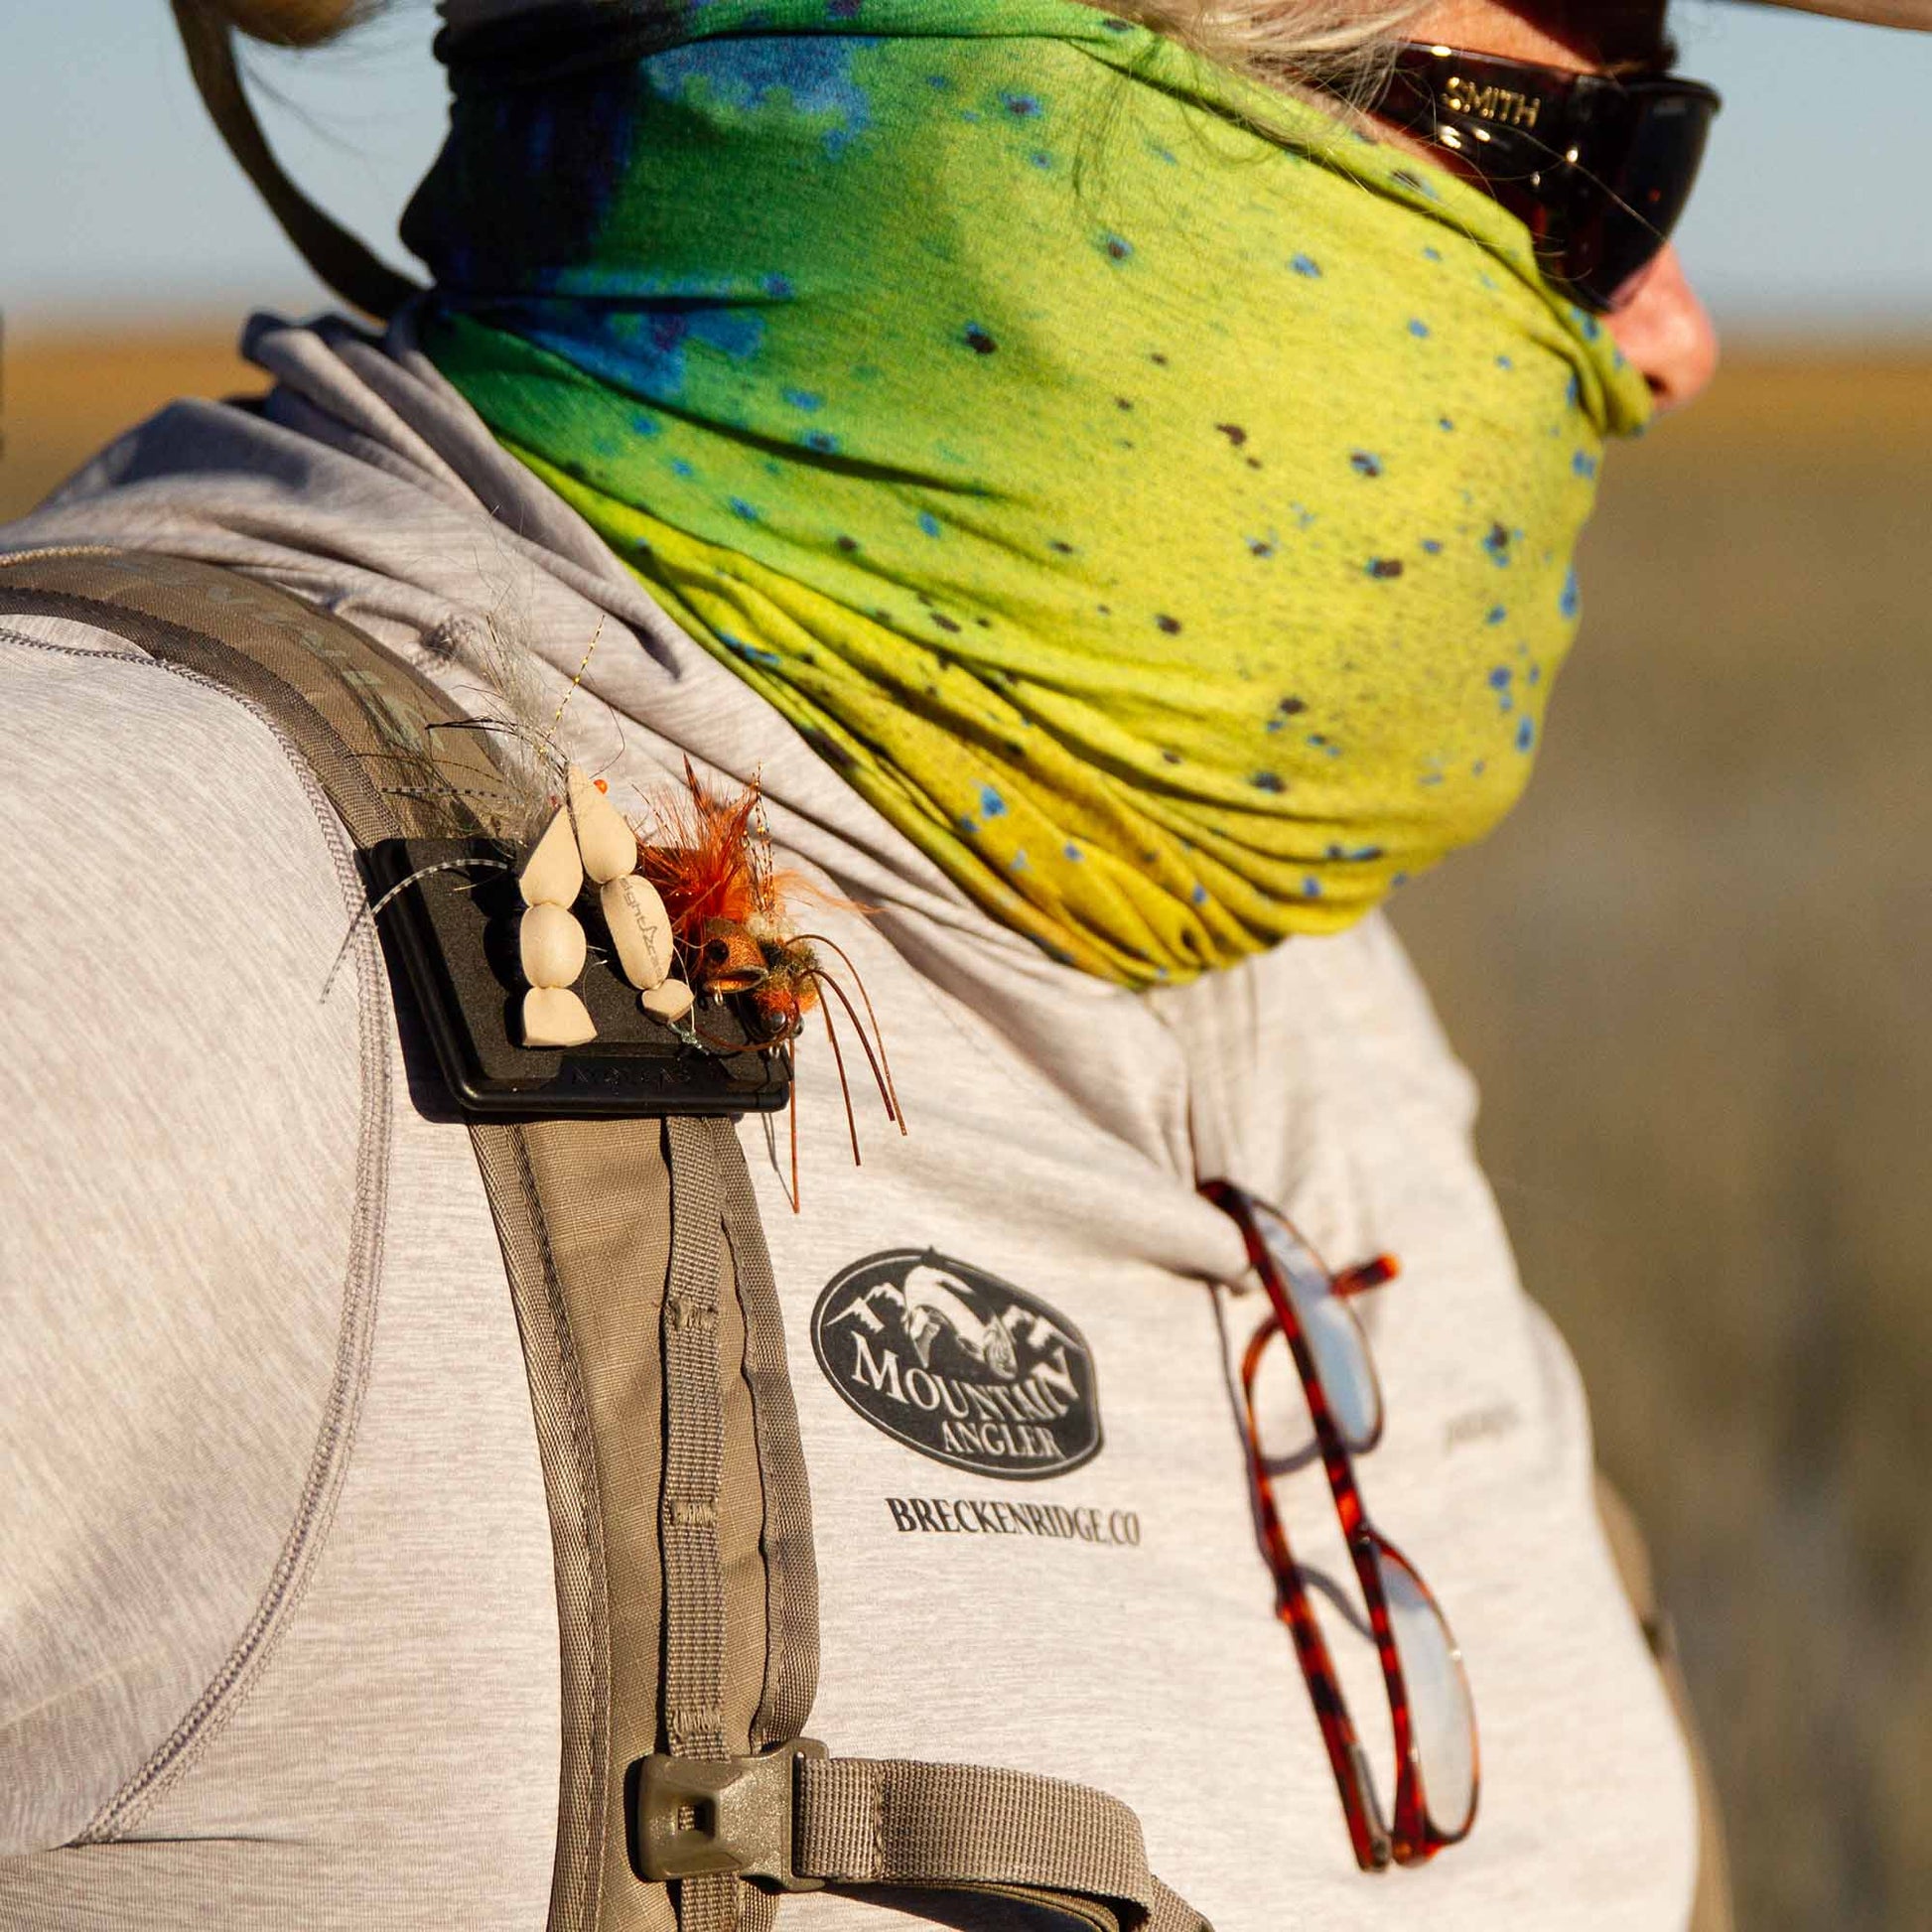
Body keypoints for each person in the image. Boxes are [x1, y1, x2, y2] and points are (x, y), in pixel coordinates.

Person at [1, 0, 1920, 1927]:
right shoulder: (111, 921)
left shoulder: (1276, 953)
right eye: (1587, 170)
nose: (1671, 340)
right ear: (1027, 87)